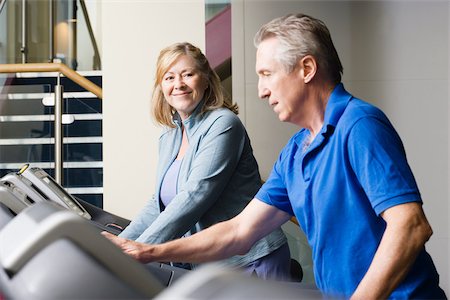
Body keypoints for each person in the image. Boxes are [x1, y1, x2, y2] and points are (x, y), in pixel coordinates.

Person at [103, 15, 447, 299]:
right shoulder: (296, 151)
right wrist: (147, 251)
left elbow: (411, 225)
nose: (262, 89)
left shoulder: (359, 125)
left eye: (267, 75)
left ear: (306, 69)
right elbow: (239, 231)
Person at [116, 42, 290, 280]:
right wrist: (119, 244)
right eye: (169, 77)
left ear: (206, 80)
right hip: (211, 268)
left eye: (188, 74)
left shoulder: (223, 124)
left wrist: (142, 251)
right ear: (161, 87)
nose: (178, 84)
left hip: (250, 262)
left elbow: (195, 195)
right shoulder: (169, 137)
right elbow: (159, 205)